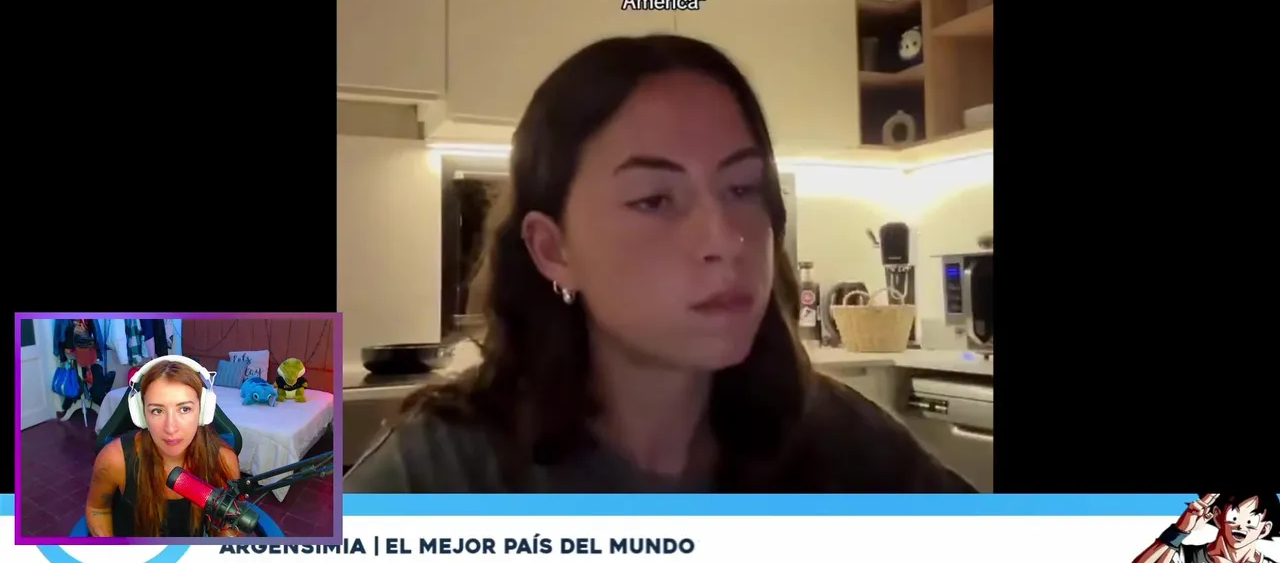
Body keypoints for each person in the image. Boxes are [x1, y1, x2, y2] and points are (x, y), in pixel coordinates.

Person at [344, 34, 976, 493]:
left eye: (742, 188)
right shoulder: (444, 471)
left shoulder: (835, 438)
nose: (724, 238)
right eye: (654, 199)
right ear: (554, 250)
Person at [85, 356, 244, 537]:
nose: (171, 428)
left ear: (203, 411)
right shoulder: (115, 459)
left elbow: (227, 524)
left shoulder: (223, 460)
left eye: (184, 409)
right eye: (157, 411)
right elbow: (97, 509)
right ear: (141, 415)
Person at [1133, 492, 1278, 563]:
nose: (1240, 526)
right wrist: (1180, 530)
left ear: (1264, 529)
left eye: (1251, 521)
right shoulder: (1184, 557)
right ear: (1218, 516)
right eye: (1233, 518)